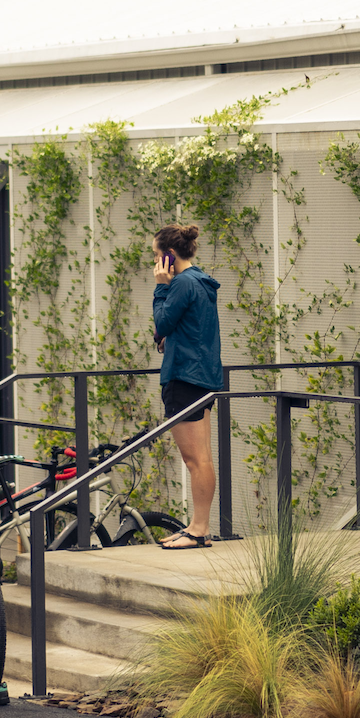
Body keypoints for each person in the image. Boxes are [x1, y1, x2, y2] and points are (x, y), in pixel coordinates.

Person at [149, 223, 224, 550]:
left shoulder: (179, 283)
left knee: (196, 460)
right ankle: (199, 527)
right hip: (203, 376)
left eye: (155, 255)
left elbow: (163, 322)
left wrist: (160, 287)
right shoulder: (201, 281)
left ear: (168, 256)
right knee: (203, 458)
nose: (154, 262)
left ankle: (198, 529)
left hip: (184, 377)